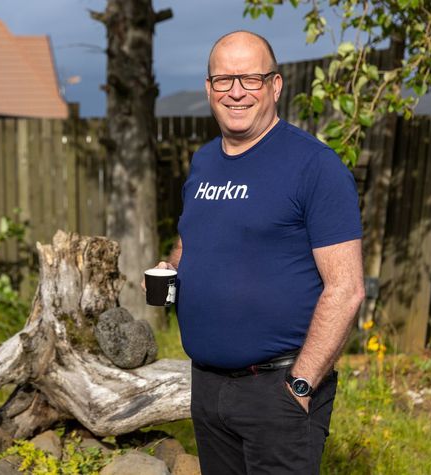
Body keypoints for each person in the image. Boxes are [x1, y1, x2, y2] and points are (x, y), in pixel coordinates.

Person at [153, 31, 365, 474]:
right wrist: (169, 266)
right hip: (208, 386)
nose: (236, 92)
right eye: (223, 79)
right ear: (208, 88)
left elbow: (346, 289)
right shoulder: (205, 162)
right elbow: (190, 237)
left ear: (275, 86)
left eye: (250, 78)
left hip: (278, 390)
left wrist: (301, 384)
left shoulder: (314, 166)